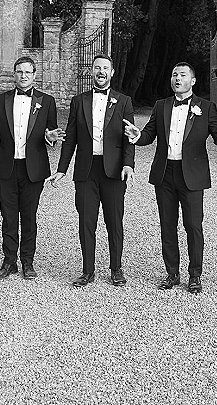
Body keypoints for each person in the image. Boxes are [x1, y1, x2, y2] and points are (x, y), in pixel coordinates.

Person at [124, 62, 217, 294]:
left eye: (182, 75)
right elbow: (149, 134)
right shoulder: (161, 106)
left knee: (193, 226)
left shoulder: (206, 106)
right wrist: (137, 135)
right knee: (167, 225)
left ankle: (195, 275)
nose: (177, 78)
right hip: (165, 174)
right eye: (174, 75)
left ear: (192, 81)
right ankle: (172, 272)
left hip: (192, 175)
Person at [0, 56, 64, 280]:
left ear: (34, 74)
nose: (24, 76)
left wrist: (50, 138)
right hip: (7, 169)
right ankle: (9, 262)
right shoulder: (2, 100)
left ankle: (28, 262)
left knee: (29, 217)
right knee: (8, 218)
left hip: (33, 170)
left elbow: (52, 133)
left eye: (28, 72)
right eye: (19, 72)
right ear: (14, 74)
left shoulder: (46, 101)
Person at [47, 53, 135, 287]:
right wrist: (62, 169)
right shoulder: (79, 101)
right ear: (92, 72)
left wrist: (128, 164)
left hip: (114, 171)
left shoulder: (124, 101)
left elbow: (129, 139)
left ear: (112, 72)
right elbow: (71, 138)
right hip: (86, 170)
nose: (101, 72)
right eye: (97, 68)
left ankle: (116, 268)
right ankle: (87, 270)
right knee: (86, 221)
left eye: (105, 68)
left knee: (114, 221)